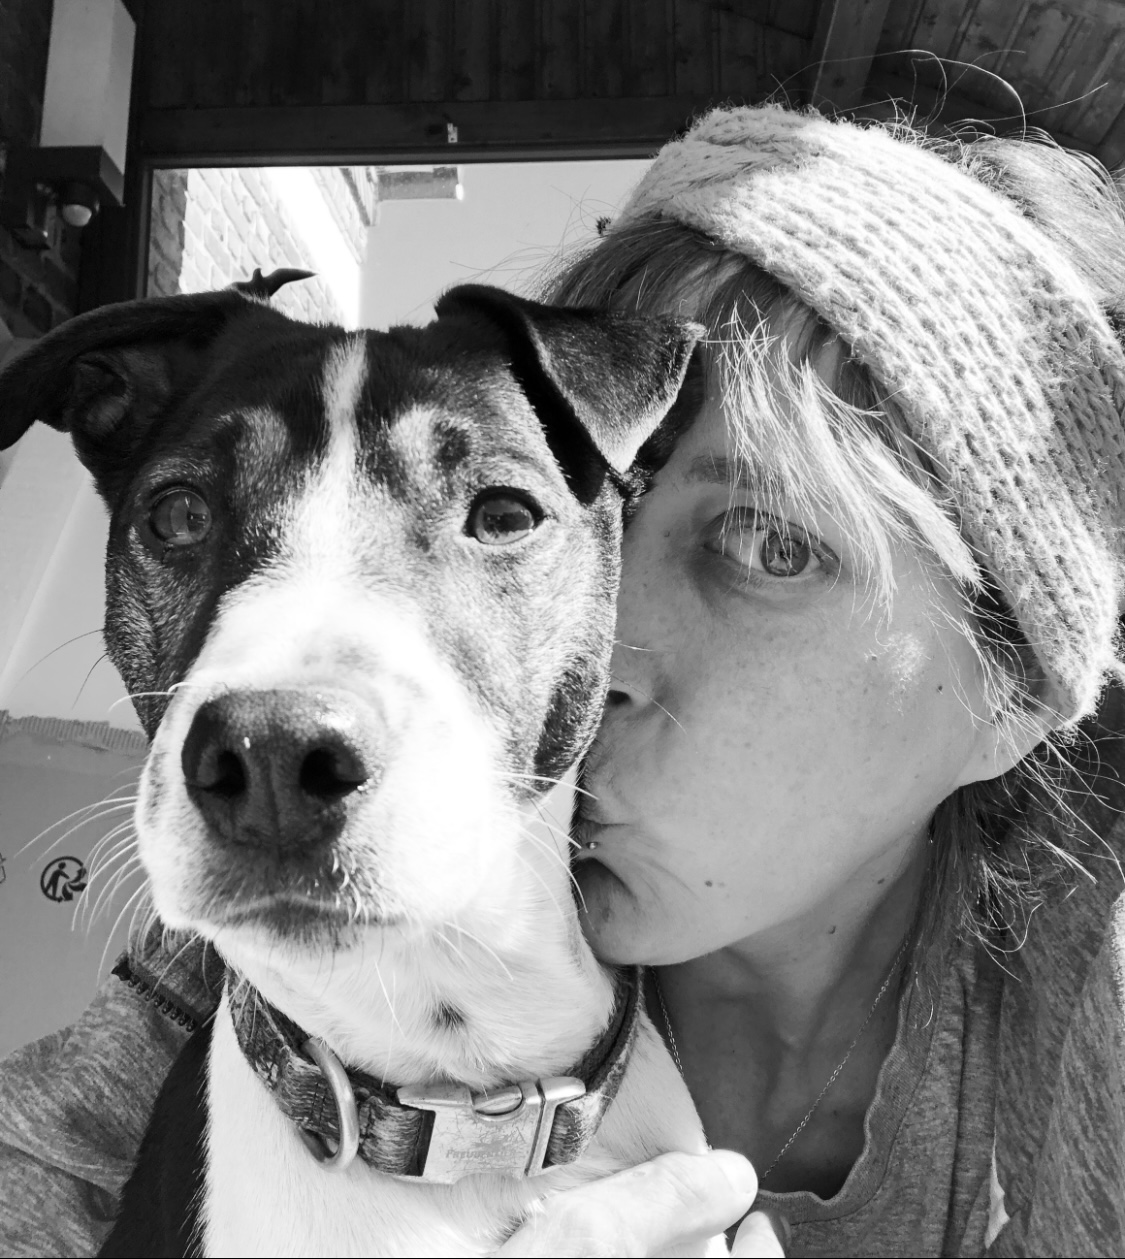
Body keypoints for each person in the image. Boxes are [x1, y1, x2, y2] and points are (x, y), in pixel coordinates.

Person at [4, 102, 1125, 1256]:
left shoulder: (1088, 1008)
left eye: (770, 545)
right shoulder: (307, 891)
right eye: (606, 520)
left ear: (1017, 694)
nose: (601, 647)